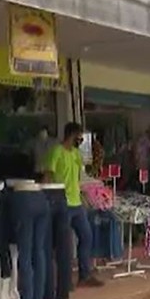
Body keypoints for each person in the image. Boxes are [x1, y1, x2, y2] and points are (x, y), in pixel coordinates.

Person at [44, 122, 104, 288]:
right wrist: (46, 197)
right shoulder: (57, 151)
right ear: (72, 134)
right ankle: (65, 279)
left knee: (86, 236)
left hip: (77, 203)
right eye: (79, 136)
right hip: (61, 203)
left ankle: (84, 274)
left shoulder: (76, 153)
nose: (81, 139)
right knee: (65, 244)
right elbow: (48, 174)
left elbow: (81, 174)